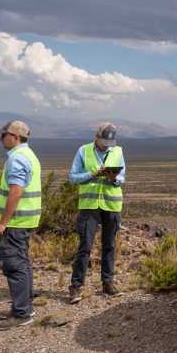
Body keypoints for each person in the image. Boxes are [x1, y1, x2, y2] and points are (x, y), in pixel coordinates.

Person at [0, 120, 41, 328]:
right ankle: (25, 306)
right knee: (22, 263)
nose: (1, 138)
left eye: (4, 135)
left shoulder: (17, 158)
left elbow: (16, 191)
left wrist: (3, 223)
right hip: (26, 219)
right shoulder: (29, 155)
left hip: (16, 221)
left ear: (15, 137)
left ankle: (21, 313)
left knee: (14, 265)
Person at [67, 122, 126, 303]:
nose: (107, 146)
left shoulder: (118, 151)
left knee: (109, 246)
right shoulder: (83, 151)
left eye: (110, 143)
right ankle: (76, 286)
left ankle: (108, 283)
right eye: (104, 142)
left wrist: (114, 178)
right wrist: (92, 173)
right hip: (89, 206)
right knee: (85, 246)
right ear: (96, 137)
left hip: (111, 205)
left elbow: (123, 178)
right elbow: (72, 177)